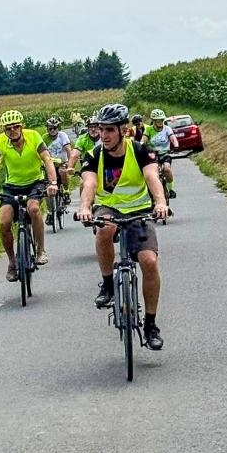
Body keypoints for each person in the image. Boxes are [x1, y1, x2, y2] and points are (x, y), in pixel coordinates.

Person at [78, 103, 168, 350]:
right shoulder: (94, 155)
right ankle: (108, 284)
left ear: (123, 130)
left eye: (109, 130)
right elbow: (89, 184)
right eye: (101, 129)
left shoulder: (141, 151)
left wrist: (160, 202)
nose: (104, 135)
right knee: (104, 228)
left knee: (149, 262)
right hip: (109, 207)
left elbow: (152, 177)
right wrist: (85, 208)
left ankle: (150, 325)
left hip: (139, 210)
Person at [0, 110, 58, 281]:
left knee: (34, 209)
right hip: (12, 187)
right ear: (4, 130)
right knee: (4, 221)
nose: (13, 131)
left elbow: (47, 159)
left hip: (34, 183)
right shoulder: (0, 141)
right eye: (8, 128)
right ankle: (12, 262)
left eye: (16, 127)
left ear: (22, 126)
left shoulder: (34, 137)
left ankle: (40, 251)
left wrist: (52, 183)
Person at [144, 108, 179, 198]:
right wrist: (140, 147)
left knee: (166, 169)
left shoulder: (167, 129)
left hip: (165, 154)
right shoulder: (148, 129)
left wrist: (176, 145)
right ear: (153, 121)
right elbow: (143, 141)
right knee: (152, 173)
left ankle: (171, 189)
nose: (160, 122)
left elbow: (173, 138)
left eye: (161, 120)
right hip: (152, 155)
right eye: (157, 120)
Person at [44, 116, 73, 198]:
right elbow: (40, 151)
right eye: (50, 129)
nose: (52, 130)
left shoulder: (62, 135)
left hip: (61, 163)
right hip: (50, 164)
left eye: (55, 128)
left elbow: (68, 149)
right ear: (47, 129)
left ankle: (66, 190)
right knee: (45, 180)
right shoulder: (44, 138)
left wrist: (69, 163)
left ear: (58, 128)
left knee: (62, 171)